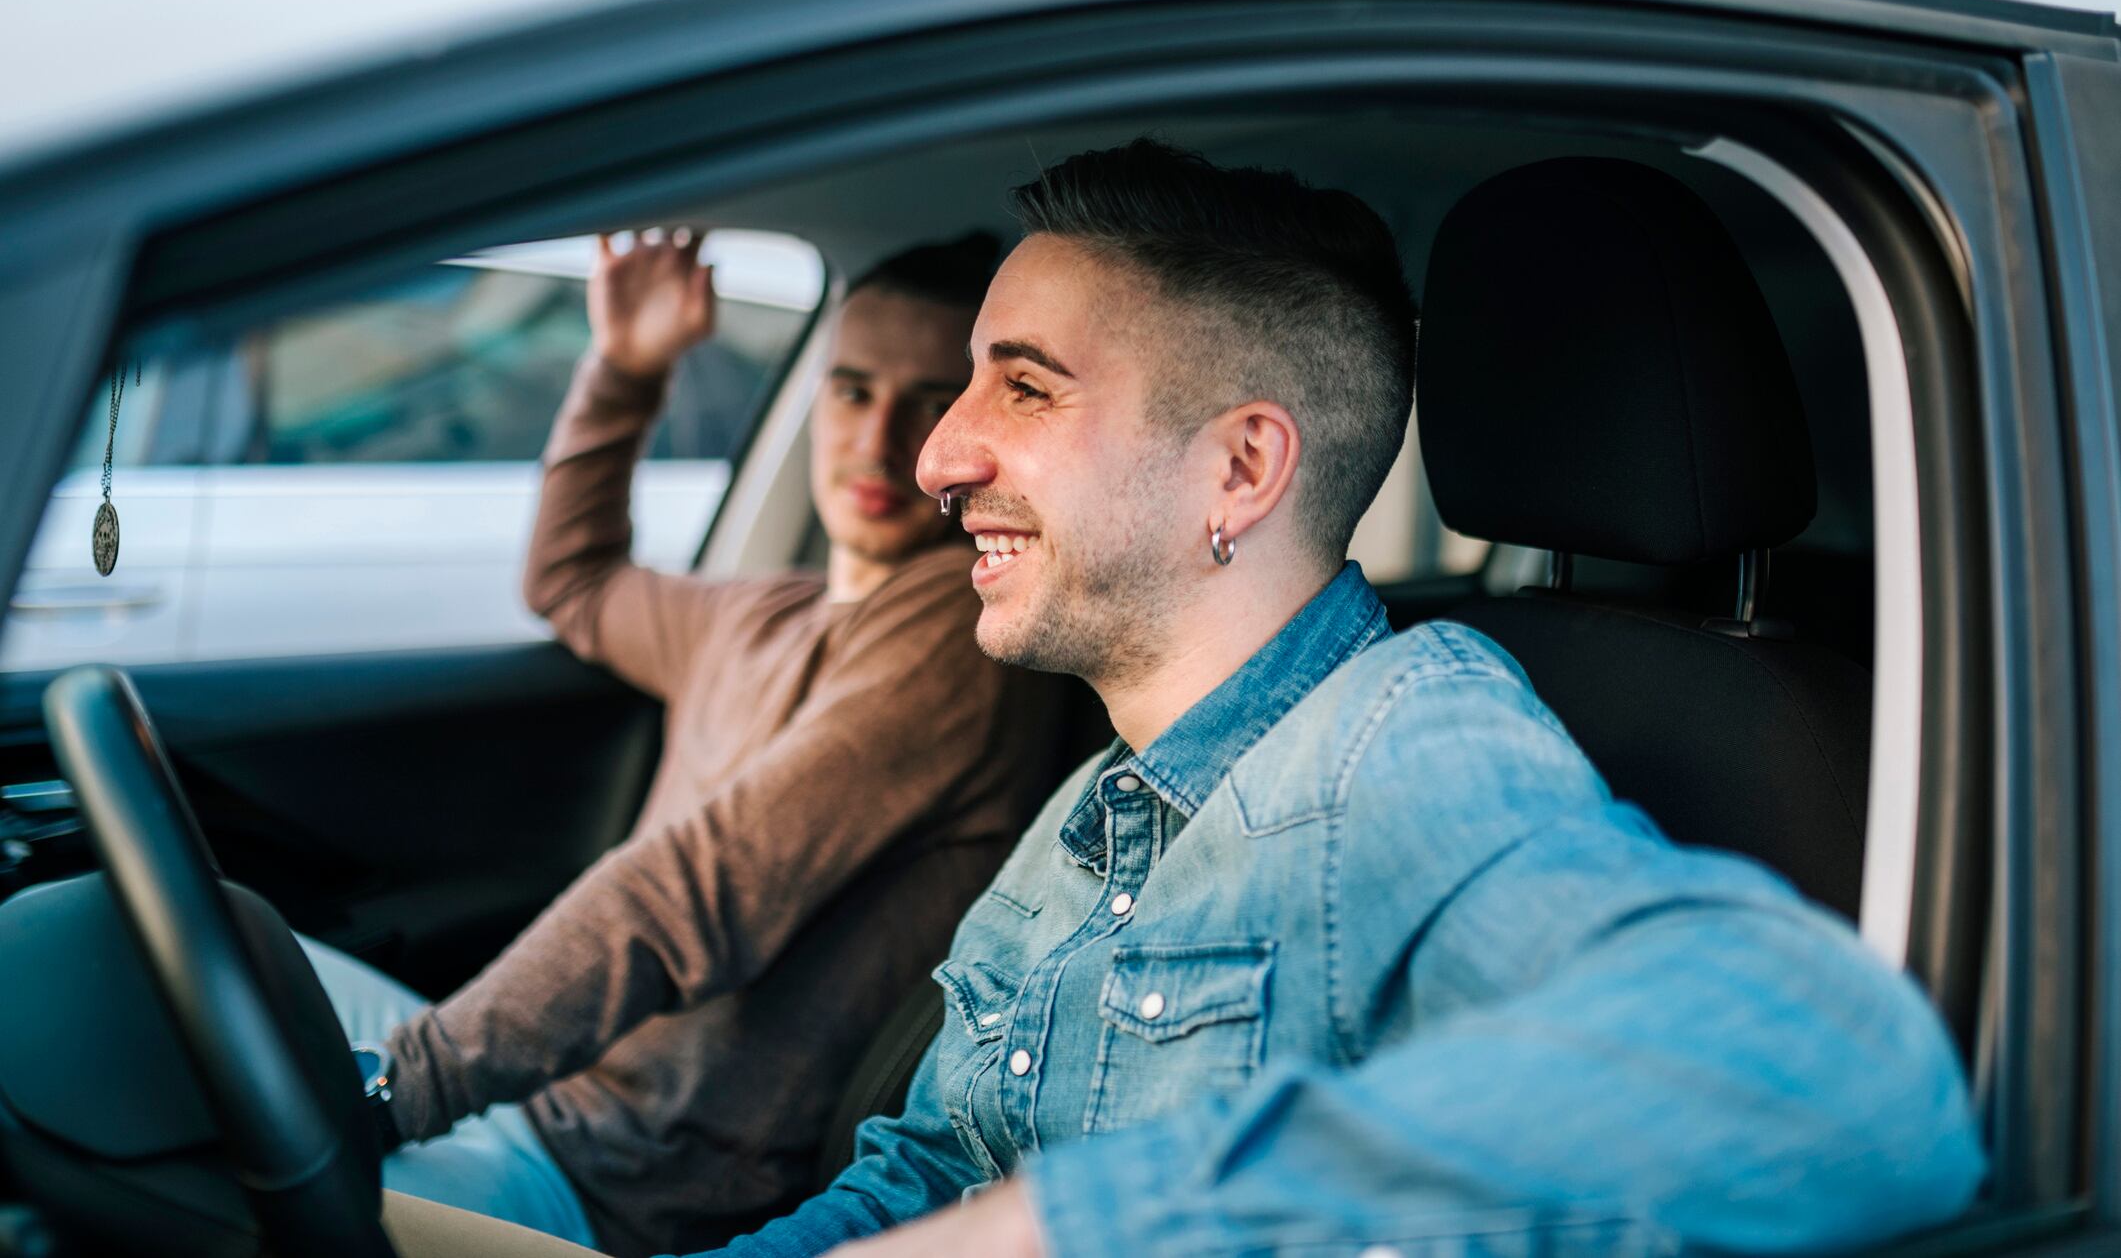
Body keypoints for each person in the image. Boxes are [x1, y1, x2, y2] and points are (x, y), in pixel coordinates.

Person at [379, 140, 1983, 1258]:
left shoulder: (1399, 742)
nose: (934, 458)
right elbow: (935, 1162)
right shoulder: (1098, 804)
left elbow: (1825, 1070)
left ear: (1239, 467)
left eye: (1021, 385)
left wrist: (1057, 1232)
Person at [305, 230, 1072, 1257]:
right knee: (190, 949)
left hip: (613, 1186)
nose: (882, 438)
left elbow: (696, 889)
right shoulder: (758, 614)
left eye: (926, 400)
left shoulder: (953, 632)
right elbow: (573, 582)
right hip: (533, 1102)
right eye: (850, 391)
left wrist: (407, 1084)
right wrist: (628, 366)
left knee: (212, 1176)